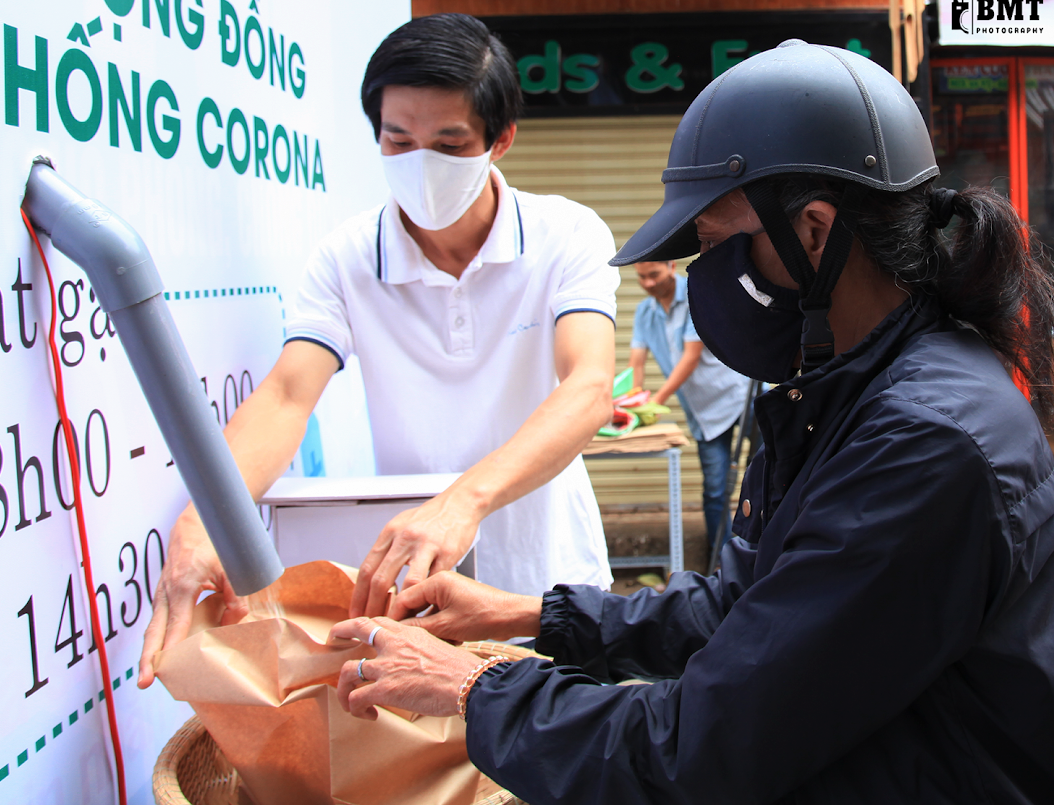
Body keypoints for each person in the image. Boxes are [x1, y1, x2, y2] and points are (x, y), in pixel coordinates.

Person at [328, 40, 1054, 803]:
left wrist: (478, 689)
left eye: (711, 242)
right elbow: (752, 610)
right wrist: (529, 614)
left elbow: (704, 743)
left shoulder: (922, 441)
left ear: (812, 230)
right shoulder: (845, 386)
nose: (699, 272)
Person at [137, 14, 620, 688]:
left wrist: (461, 502)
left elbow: (589, 386)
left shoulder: (564, 235)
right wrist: (206, 518)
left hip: (547, 579)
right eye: (398, 139)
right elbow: (285, 395)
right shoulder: (347, 257)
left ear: (499, 139)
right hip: (419, 592)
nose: (421, 163)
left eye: (449, 144)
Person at [628, 258, 751, 553]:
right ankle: (722, 557)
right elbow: (637, 361)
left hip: (738, 395)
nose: (648, 283)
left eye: (654, 274)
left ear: (671, 267)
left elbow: (690, 358)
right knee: (715, 488)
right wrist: (633, 400)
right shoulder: (645, 312)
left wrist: (655, 402)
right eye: (641, 278)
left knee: (767, 474)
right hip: (703, 411)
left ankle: (767, 549)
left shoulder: (696, 295)